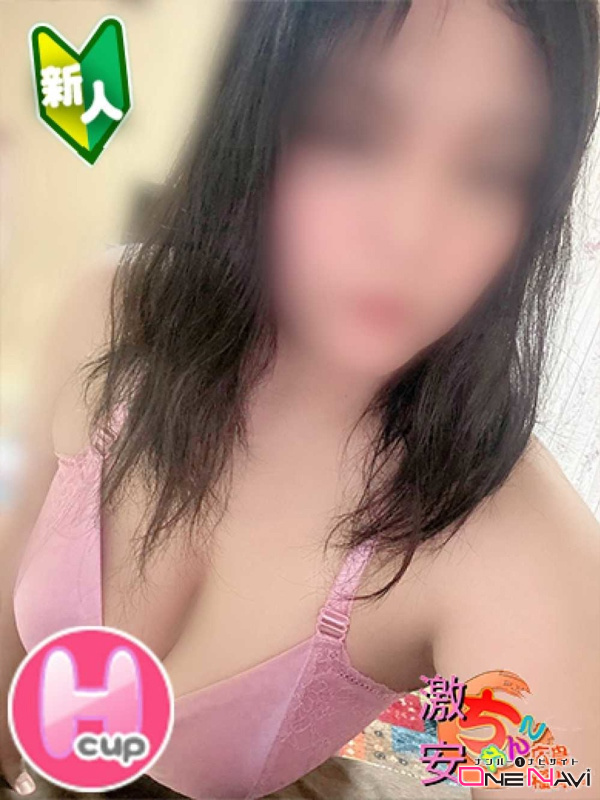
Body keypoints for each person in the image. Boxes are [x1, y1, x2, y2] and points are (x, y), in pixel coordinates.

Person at [2, 1, 599, 798]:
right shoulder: (112, 315)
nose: (410, 234)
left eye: (495, 171)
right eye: (351, 131)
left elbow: (544, 769)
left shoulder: (504, 544)